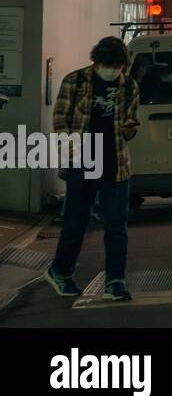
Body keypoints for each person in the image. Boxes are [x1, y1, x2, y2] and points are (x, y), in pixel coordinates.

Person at [45, 37, 141, 301]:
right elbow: (60, 121)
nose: (112, 70)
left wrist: (129, 127)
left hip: (116, 166)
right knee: (76, 223)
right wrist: (73, 159)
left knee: (117, 227)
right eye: (107, 65)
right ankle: (60, 272)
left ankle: (115, 281)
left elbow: (132, 121)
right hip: (82, 163)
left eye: (118, 66)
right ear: (96, 62)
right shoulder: (75, 82)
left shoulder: (130, 86)